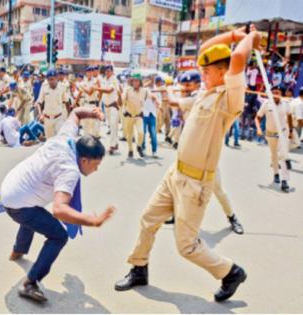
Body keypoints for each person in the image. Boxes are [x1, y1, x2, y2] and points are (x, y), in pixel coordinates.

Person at [114, 26, 260, 302]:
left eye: (207, 71)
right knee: (148, 219)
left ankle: (230, 272)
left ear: (223, 72)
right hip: (175, 174)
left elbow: (239, 59)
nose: (201, 75)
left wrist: (251, 37)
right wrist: (233, 34)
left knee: (187, 247)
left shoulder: (230, 98)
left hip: (196, 183)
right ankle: (139, 267)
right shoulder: (205, 92)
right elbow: (206, 49)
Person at [0, 106, 115, 302]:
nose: (95, 170)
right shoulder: (69, 170)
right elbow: (59, 209)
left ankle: (18, 250)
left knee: (33, 210)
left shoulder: (65, 138)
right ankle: (29, 282)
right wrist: (91, 220)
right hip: (18, 203)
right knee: (58, 236)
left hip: (9, 188)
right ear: (84, 160)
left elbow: (76, 113)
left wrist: (93, 113)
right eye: (95, 165)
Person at [165, 70, 244, 234]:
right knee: (176, 182)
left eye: (188, 84)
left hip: (206, 156)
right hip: (189, 151)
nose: (185, 87)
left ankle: (232, 217)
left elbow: (172, 102)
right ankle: (175, 213)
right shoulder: (195, 96)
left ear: (196, 84)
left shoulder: (198, 97)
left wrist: (169, 89)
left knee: (218, 190)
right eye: (183, 85)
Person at [255, 86, 293, 193]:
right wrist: (258, 129)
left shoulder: (286, 104)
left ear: (281, 93)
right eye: (273, 92)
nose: (275, 94)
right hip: (270, 134)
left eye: (277, 92)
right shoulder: (266, 104)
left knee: (283, 155)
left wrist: (290, 131)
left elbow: (289, 116)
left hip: (283, 133)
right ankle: (276, 173)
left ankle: (285, 181)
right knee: (274, 155)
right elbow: (257, 118)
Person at [35, 69, 67, 139]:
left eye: (52, 79)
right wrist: (40, 115)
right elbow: (39, 102)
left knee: (60, 139)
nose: (50, 81)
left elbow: (66, 102)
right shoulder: (44, 86)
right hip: (47, 119)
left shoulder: (62, 87)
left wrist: (68, 117)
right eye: (49, 79)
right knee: (49, 141)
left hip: (59, 118)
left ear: (57, 78)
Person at [95, 65, 119, 154]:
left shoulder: (114, 80)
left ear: (112, 71)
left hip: (114, 106)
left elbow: (109, 90)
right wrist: (99, 101)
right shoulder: (104, 79)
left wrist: (96, 88)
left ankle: (112, 146)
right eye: (106, 71)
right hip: (106, 106)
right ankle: (115, 143)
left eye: (109, 71)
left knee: (113, 125)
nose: (107, 72)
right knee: (112, 126)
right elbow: (102, 91)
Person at [122, 73, 146, 158]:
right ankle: (130, 150)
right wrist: (124, 110)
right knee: (129, 134)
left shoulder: (144, 90)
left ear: (140, 82)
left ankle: (139, 146)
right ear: (132, 82)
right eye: (134, 81)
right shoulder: (127, 90)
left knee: (141, 133)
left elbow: (150, 95)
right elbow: (123, 100)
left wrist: (156, 100)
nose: (135, 82)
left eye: (137, 81)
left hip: (138, 115)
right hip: (129, 115)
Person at [81, 67, 101, 137]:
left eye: (91, 71)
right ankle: (85, 140)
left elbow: (89, 92)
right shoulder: (84, 81)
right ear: (86, 73)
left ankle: (92, 141)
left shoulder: (95, 81)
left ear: (92, 72)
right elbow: (81, 93)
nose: (89, 73)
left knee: (92, 124)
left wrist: (83, 87)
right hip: (85, 104)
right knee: (85, 124)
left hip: (92, 104)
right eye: (88, 72)